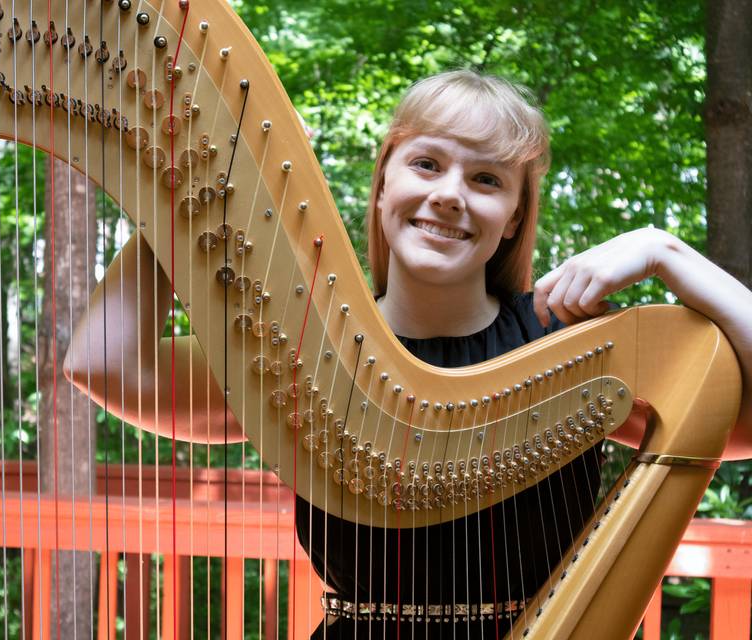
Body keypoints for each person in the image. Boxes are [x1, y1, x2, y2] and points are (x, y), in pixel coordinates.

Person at [65, 69, 752, 638]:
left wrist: (669, 253)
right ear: (384, 184)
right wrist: (195, 182)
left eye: (487, 180)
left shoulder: (569, 343)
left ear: (513, 216)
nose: (449, 196)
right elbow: (100, 363)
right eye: (426, 163)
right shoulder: (296, 349)